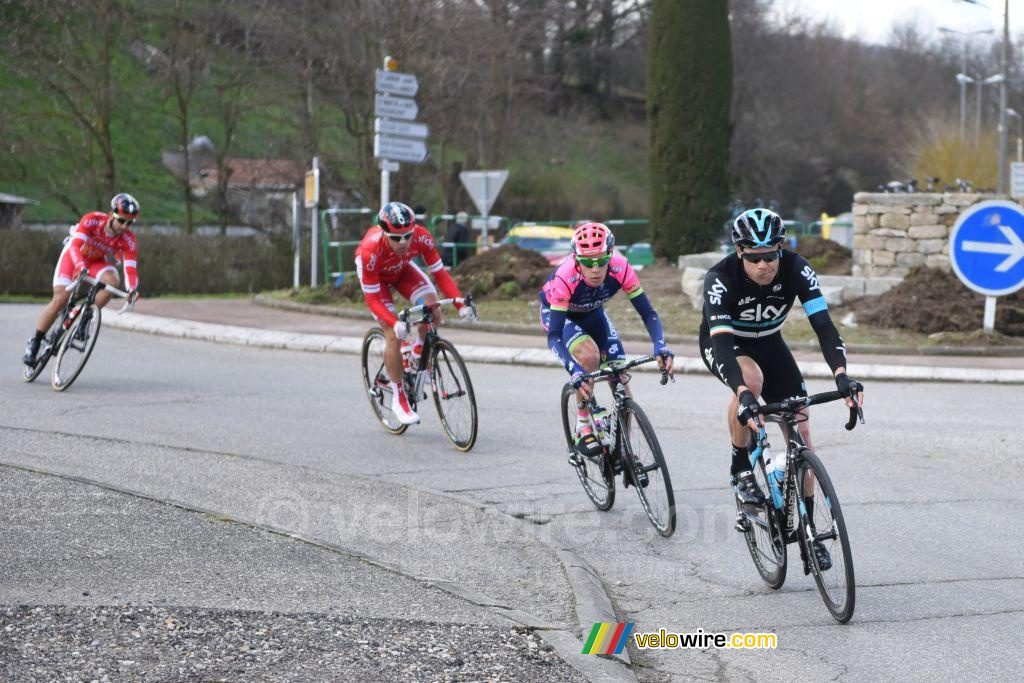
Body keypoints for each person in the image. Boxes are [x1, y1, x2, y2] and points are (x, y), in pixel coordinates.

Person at [699, 207, 864, 569]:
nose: (764, 265)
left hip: (770, 343)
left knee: (802, 432)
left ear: (780, 249)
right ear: (740, 252)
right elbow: (723, 346)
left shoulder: (796, 268)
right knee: (751, 382)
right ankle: (741, 468)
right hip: (726, 345)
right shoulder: (720, 278)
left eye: (771, 255)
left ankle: (807, 532)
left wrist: (841, 376)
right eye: (755, 257)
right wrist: (743, 394)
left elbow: (823, 325)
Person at [540, 222, 674, 462]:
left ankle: (623, 448)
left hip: (593, 313)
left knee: (619, 375)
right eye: (587, 262)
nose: (595, 269)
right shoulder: (565, 277)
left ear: (610, 256)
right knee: (589, 358)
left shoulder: (620, 268)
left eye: (601, 261)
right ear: (576, 259)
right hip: (560, 316)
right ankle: (583, 425)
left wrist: (660, 345)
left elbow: (648, 313)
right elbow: (555, 336)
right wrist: (575, 370)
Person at [355, 201, 476, 425]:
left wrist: (461, 305)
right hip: (378, 282)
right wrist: (394, 322)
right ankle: (399, 398)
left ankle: (418, 360)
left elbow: (440, 275)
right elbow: (373, 299)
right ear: (384, 233)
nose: (403, 242)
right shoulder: (369, 252)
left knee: (434, 312)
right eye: (396, 238)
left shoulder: (421, 236)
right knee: (393, 334)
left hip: (402, 272)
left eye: (407, 236)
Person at [22, 193, 141, 367]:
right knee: (61, 299)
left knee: (113, 281)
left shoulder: (128, 239)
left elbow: (130, 267)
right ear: (111, 214)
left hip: (95, 262)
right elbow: (76, 246)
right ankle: (35, 343)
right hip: (74, 256)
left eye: (130, 223)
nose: (125, 226)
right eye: (122, 221)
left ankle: (85, 317)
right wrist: (78, 266)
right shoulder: (92, 220)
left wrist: (132, 289)